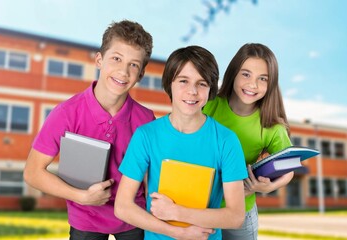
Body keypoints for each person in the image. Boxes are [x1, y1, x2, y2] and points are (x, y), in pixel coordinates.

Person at [23, 20, 155, 240]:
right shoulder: (66, 113)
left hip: (134, 217)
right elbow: (32, 172)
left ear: (141, 74)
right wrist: (81, 197)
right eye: (116, 59)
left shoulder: (146, 118)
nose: (123, 71)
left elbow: (150, 178)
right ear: (99, 60)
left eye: (133, 65)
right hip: (86, 219)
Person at [115, 45, 248, 240]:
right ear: (170, 83)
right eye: (183, 81)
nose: (192, 91)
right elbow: (122, 207)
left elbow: (236, 217)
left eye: (202, 83)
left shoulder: (226, 141)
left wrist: (176, 212)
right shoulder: (146, 135)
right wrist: (179, 232)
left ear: (210, 89)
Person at [202, 43, 293, 240]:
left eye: (263, 79)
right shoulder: (209, 105)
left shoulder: (271, 126)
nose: (253, 84)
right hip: (203, 206)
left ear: (271, 84)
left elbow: (289, 168)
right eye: (246, 74)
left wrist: (267, 188)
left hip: (242, 210)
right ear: (233, 73)